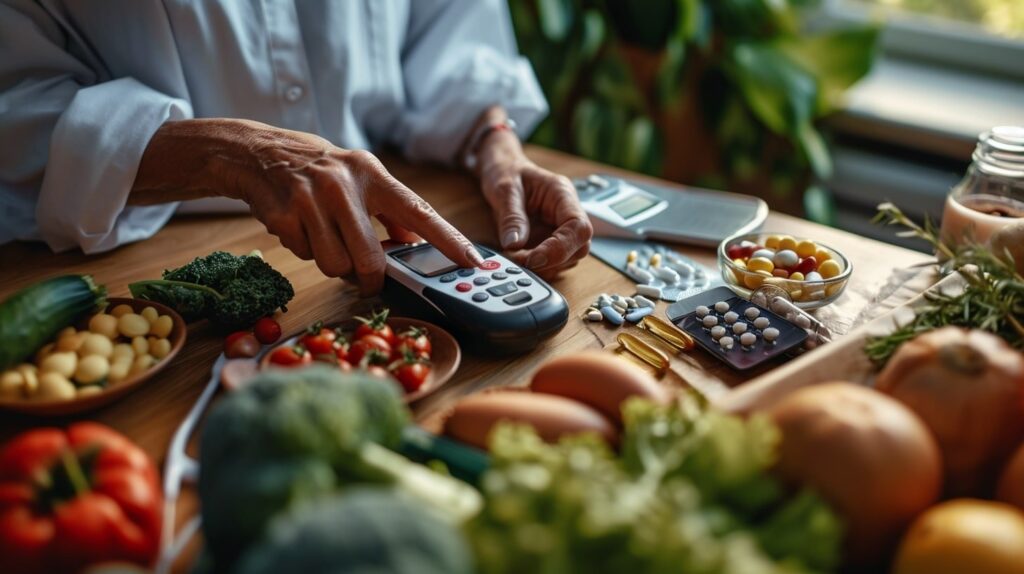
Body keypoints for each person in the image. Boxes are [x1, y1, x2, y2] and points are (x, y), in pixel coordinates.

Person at [0, 0, 592, 294]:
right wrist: (234, 153)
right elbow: (15, 100)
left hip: (390, 207)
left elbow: (445, 24)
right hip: (111, 257)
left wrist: (494, 140)